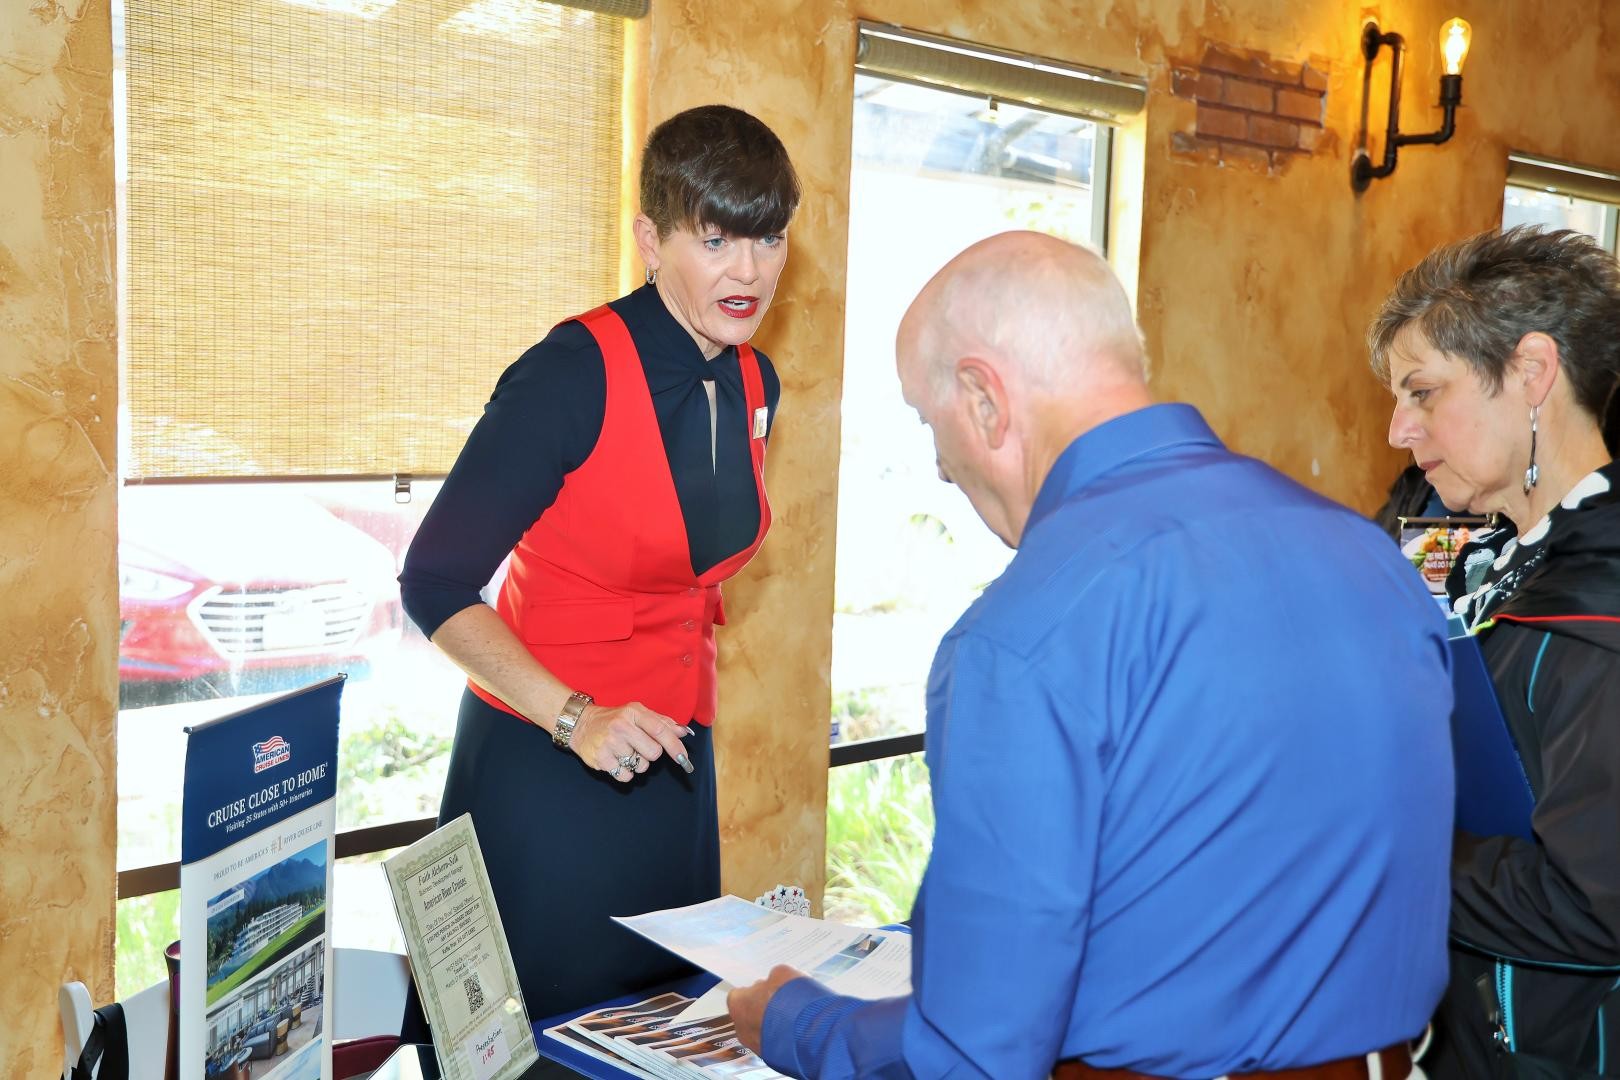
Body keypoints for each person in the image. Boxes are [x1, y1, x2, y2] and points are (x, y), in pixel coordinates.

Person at [727, 231, 1456, 1079]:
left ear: (984, 398)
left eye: (930, 422)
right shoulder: (1372, 556)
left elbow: (975, 1053)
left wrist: (801, 1024)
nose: (941, 468)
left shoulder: (1029, 631)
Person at [397, 104, 799, 1029]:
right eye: (716, 239)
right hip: (549, 769)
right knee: (538, 1041)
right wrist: (575, 717)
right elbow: (433, 581)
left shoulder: (755, 380)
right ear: (652, 241)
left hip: (674, 770)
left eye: (768, 238)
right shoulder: (570, 372)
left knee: (662, 1028)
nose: (749, 271)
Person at [1371, 225, 1620, 1079]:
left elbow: (1596, 904)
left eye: (1423, 392)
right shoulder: (1460, 545)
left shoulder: (1601, 604)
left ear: (1532, 372)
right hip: (1454, 1022)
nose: (1398, 429)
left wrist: (1384, 847)